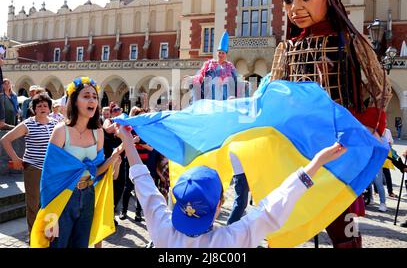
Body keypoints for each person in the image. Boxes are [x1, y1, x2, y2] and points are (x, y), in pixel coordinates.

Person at [269, 0, 392, 248]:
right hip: (298, 150)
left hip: (339, 153)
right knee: (284, 222)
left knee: (345, 231)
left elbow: (379, 89)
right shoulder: (286, 48)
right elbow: (273, 94)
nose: (295, 7)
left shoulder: (350, 40)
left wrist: (366, 126)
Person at [114, 123, 347, 247]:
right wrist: (316, 163)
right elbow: (273, 207)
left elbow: (143, 183)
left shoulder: (162, 230)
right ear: (219, 206)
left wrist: (126, 139)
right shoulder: (228, 241)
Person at [43, 77, 118, 248]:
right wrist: (50, 217)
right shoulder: (61, 131)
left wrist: (114, 156)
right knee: (58, 244)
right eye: (86, 96)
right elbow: (48, 177)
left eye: (94, 96)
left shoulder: (98, 133)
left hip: (88, 195)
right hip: (63, 196)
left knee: (81, 244)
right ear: (74, 101)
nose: (92, 100)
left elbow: (96, 171)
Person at [1, 93, 58, 237]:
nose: (43, 108)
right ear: (33, 109)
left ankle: (50, 234)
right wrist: (15, 159)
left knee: (52, 202)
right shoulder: (28, 124)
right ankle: (34, 236)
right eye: (39, 106)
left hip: (52, 170)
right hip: (34, 168)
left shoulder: (55, 123)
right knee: (33, 204)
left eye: (45, 105)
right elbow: (5, 139)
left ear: (50, 108)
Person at [191, 31, 238, 101]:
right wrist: (192, 78)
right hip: (211, 97)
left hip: (225, 97)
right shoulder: (209, 64)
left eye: (223, 53)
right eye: (219, 53)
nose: (221, 55)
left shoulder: (230, 67)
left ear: (226, 55)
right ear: (216, 53)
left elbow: (236, 81)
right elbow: (201, 77)